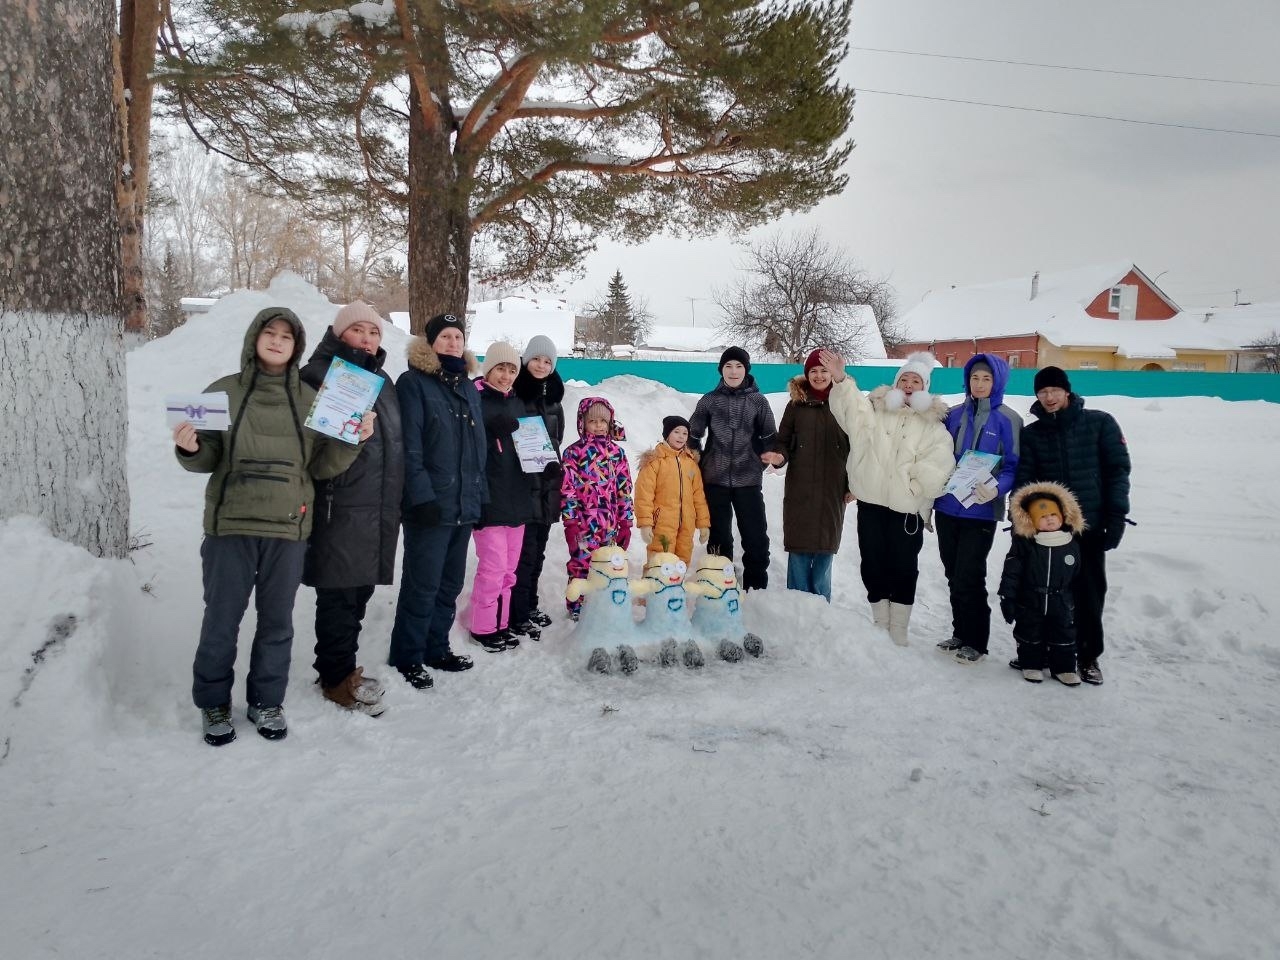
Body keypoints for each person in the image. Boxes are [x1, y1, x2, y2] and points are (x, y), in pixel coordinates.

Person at [174, 307, 371, 746]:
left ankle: (266, 700)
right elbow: (207, 457)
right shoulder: (222, 392)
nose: (278, 340)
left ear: (297, 346)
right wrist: (189, 448)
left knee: (277, 622)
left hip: (287, 529)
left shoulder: (309, 399)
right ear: (254, 338)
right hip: (230, 528)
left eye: (287, 335)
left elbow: (319, 467)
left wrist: (352, 441)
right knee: (222, 620)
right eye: (270, 332)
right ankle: (213, 702)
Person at [299, 301, 403, 716]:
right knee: (339, 595)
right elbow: (317, 449)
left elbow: (394, 445)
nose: (367, 338)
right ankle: (335, 678)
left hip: (377, 505)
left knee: (357, 593)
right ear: (339, 334)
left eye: (374, 332)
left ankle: (338, 668)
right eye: (358, 330)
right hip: (340, 504)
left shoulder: (382, 381)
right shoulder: (320, 375)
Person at [821, 349, 955, 645]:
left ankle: (899, 628)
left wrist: (915, 488)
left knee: (903, 566)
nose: (908, 384)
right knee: (872, 562)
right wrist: (841, 379)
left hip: (906, 510)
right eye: (904, 378)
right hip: (871, 504)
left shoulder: (932, 425)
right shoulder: (876, 411)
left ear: (925, 387)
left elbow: (940, 462)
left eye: (915, 381)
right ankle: (880, 621)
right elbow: (852, 412)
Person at [387, 312, 487, 689]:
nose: (452, 343)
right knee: (422, 584)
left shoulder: (467, 386)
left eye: (457, 337)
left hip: (463, 506)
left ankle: (436, 648)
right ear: (431, 344)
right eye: (444, 337)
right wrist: (421, 497)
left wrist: (482, 498)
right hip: (430, 507)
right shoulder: (413, 383)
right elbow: (410, 447)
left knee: (448, 585)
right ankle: (408, 656)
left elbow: (478, 451)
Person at [1014, 366, 1131, 685]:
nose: (1049, 397)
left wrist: (1116, 515)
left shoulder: (1099, 423)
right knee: (1047, 593)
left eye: (1054, 390)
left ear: (1067, 391)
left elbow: (1118, 471)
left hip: (1090, 525)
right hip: (1050, 531)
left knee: (1090, 591)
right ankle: (1051, 650)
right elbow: (1025, 481)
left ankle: (1089, 656)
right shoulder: (1033, 434)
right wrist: (1023, 523)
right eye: (1042, 392)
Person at [933, 354, 1022, 664]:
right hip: (947, 507)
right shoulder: (953, 415)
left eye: (986, 378)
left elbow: (1013, 465)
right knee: (952, 573)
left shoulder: (1008, 419)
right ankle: (960, 631)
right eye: (975, 378)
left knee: (970, 575)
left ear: (997, 381)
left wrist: (997, 488)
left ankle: (977, 641)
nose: (980, 384)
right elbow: (936, 456)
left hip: (981, 511)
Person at [761, 350, 852, 601]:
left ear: (833, 372)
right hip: (800, 486)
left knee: (825, 548)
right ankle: (797, 605)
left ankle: (822, 607)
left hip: (833, 487)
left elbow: (858, 447)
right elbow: (783, 441)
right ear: (806, 374)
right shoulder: (796, 405)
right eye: (813, 371)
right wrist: (779, 457)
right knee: (799, 548)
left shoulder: (844, 403)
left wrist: (854, 484)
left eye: (824, 370)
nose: (819, 375)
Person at [688, 346, 777, 590]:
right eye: (728, 366)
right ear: (721, 370)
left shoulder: (758, 401)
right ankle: (720, 584)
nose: (733, 371)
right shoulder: (709, 400)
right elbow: (693, 434)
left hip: (748, 478)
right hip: (715, 478)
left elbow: (770, 436)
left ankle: (756, 586)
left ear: (746, 370)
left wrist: (768, 456)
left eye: (738, 366)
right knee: (719, 537)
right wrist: (694, 457)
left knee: (756, 537)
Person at [467, 341, 534, 653]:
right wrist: (487, 428)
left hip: (517, 500)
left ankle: (501, 623)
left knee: (509, 571)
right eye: (500, 369)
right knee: (492, 570)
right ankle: (483, 627)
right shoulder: (474, 399)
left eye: (511, 369)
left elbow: (529, 450)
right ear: (488, 369)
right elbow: (467, 447)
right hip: (490, 500)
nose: (506, 375)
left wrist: (544, 468)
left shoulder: (518, 403)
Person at [998, 483, 1085, 686]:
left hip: (1061, 600)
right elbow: (1011, 573)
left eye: (1054, 515)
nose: (1049, 519)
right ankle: (1031, 664)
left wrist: (1077, 600)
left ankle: (1063, 668)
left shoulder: (1070, 543)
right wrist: (1008, 597)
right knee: (1029, 633)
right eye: (1043, 517)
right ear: (1032, 521)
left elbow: (1078, 575)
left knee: (1063, 635)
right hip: (1031, 599)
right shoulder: (1026, 544)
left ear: (1063, 516)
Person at [509, 335, 566, 640]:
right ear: (526, 359)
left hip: (547, 485)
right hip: (522, 484)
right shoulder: (515, 394)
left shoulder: (554, 399)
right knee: (525, 553)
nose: (542, 365)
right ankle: (516, 615)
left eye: (548, 361)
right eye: (537, 359)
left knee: (539, 552)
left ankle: (529, 605)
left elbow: (556, 442)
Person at [560, 397, 633, 619]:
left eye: (604, 420)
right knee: (581, 564)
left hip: (609, 524)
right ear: (582, 422)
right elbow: (567, 489)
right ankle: (577, 606)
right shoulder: (574, 453)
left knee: (608, 563)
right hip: (584, 524)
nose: (599, 425)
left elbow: (624, 489)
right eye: (593, 421)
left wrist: (626, 522)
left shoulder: (617, 453)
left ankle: (603, 601)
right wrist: (570, 522)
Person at [633, 414, 710, 565]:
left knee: (683, 558)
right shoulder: (655, 462)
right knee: (660, 559)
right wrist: (645, 523)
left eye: (685, 433)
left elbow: (699, 496)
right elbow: (644, 495)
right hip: (662, 521)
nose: (681, 436)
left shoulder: (691, 464)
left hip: (687, 524)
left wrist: (703, 524)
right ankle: (654, 586)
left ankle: (677, 586)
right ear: (667, 434)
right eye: (676, 431)